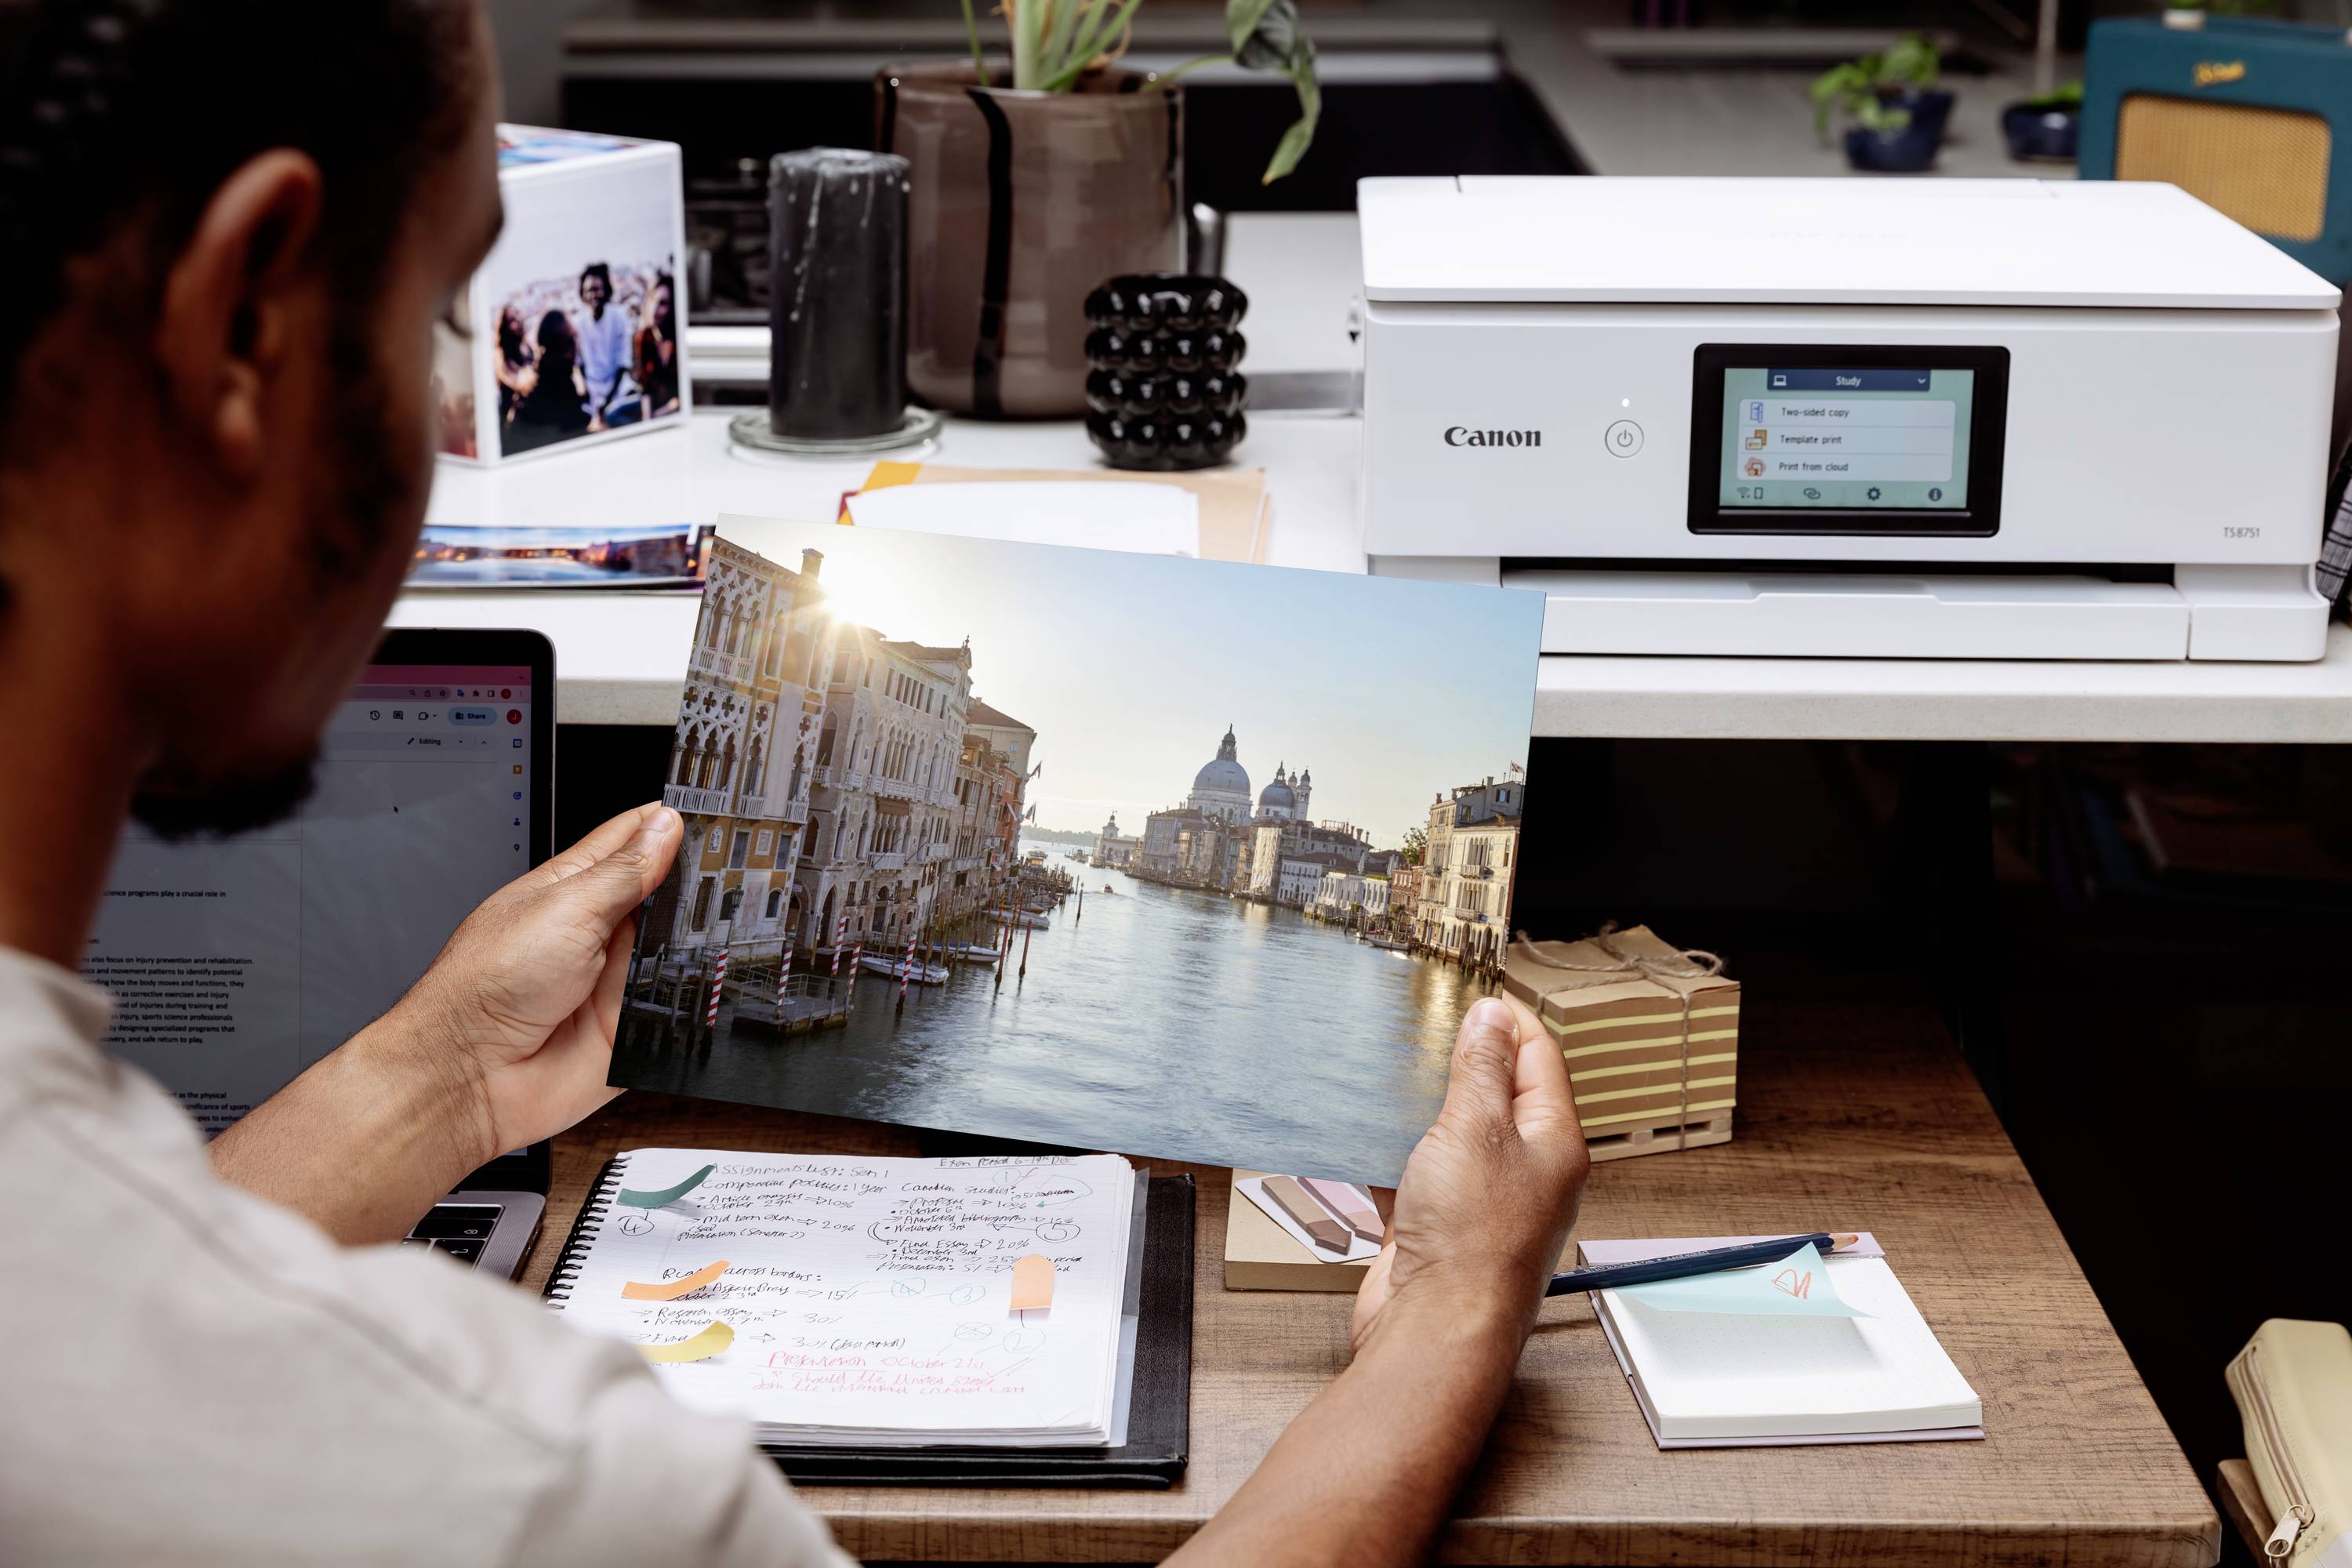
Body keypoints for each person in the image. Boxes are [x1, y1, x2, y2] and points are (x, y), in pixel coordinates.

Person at [0, 2, 1589, 1563]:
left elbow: (89, 1278)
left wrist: (444, 1076)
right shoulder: (542, 1486)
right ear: (239, 334)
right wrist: (1447, 1320)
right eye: (439, 317)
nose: (449, 419)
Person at [503, 307, 590, 454]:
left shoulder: (541, 377)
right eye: (573, 338)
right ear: (567, 346)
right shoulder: (558, 385)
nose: (577, 344)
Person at [571, 258, 634, 430]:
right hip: (591, 391)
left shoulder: (619, 316)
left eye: (597, 289)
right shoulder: (578, 322)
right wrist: (585, 392)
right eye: (588, 290)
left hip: (618, 386)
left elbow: (623, 362)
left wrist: (607, 399)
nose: (592, 295)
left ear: (606, 290)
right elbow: (579, 364)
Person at [633, 270, 681, 423]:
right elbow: (645, 386)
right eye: (653, 300)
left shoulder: (678, 340)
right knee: (613, 414)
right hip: (656, 403)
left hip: (676, 407)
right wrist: (648, 420)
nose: (654, 309)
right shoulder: (643, 337)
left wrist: (659, 415)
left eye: (663, 304)